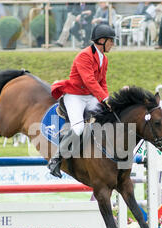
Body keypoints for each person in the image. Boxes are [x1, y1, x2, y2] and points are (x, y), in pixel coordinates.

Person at [48, 24, 116, 178]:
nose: (113, 44)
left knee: (108, 116)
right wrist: (103, 97)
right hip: (75, 95)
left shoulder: (103, 59)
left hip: (90, 96)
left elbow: (102, 82)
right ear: (101, 40)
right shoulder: (84, 55)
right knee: (78, 128)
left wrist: (107, 100)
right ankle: (56, 159)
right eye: (111, 41)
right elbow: (89, 81)